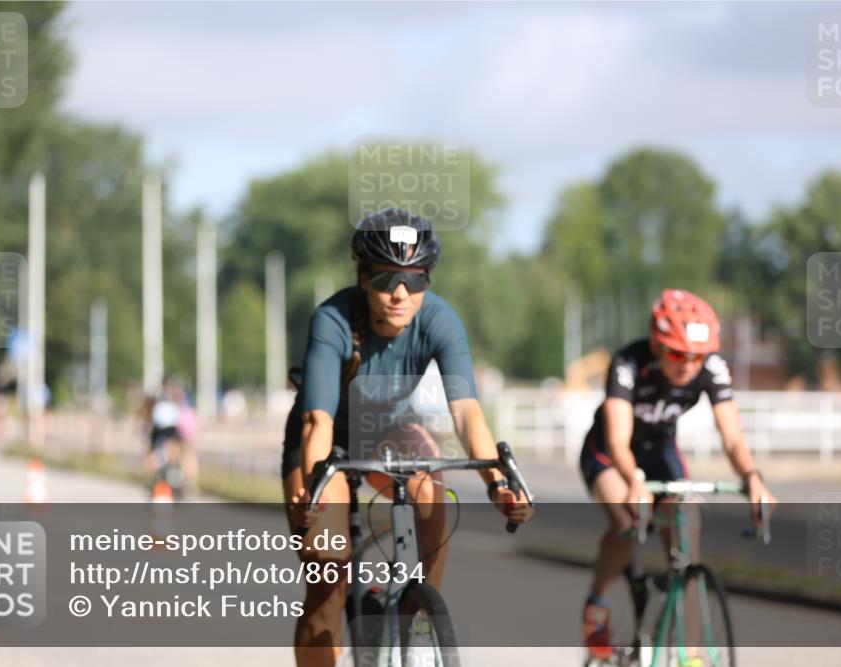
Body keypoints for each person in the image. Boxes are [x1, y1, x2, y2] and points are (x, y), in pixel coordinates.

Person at [283, 208, 533, 667]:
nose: (400, 294)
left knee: (432, 493)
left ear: (427, 282)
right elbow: (316, 423)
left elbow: (468, 413)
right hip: (327, 441)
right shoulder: (332, 320)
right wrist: (315, 490)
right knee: (328, 572)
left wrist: (497, 484)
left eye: (414, 281)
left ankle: (419, 614)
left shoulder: (441, 320)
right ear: (363, 279)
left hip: (389, 428)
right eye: (385, 280)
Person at [579, 288, 778, 662]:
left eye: (696, 357)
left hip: (660, 451)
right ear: (656, 343)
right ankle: (598, 605)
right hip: (609, 452)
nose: (687, 366)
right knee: (627, 516)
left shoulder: (712, 367)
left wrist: (753, 477)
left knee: (688, 524)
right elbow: (619, 439)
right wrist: (634, 480)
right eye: (676, 354)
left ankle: (690, 653)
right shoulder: (628, 362)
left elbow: (732, 436)